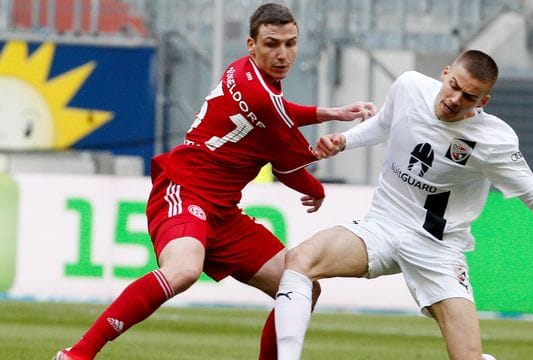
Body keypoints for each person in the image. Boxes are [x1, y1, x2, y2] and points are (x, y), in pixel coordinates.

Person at [53, 3, 376, 360]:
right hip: (185, 187)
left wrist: (328, 113)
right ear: (251, 45)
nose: (283, 54)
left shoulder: (245, 73)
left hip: (223, 211)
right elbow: (289, 166)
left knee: (301, 287)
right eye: (272, 44)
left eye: (290, 43)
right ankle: (77, 354)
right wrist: (318, 178)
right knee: (183, 270)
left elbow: (280, 119)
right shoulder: (264, 100)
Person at [273, 50, 533, 360]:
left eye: (469, 97)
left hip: (437, 249)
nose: (455, 99)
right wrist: (344, 141)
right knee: (300, 259)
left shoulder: (494, 142)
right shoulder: (408, 86)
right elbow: (383, 125)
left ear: (484, 101)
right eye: (454, 86)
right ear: (445, 72)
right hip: (382, 225)